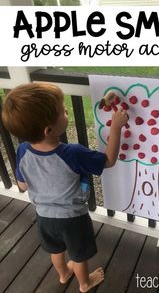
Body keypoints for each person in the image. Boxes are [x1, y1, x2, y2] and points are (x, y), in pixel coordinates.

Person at [1, 82, 128, 292]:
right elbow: (109, 160)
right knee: (78, 255)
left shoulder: (23, 150)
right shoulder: (72, 153)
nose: (67, 110)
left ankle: (63, 275)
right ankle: (85, 283)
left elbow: (22, 185)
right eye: (62, 110)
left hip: (44, 216)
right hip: (72, 219)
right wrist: (115, 127)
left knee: (56, 249)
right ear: (49, 129)